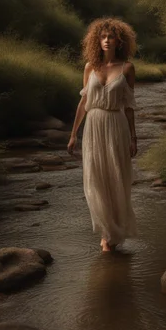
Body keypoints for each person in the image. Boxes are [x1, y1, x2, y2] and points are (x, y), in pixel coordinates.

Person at [67, 17, 138, 252]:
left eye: (111, 37)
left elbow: (129, 106)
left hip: (116, 125)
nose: (106, 40)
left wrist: (133, 137)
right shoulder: (90, 66)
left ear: (119, 41)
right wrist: (74, 134)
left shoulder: (127, 68)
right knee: (96, 180)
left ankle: (114, 231)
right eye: (103, 36)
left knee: (116, 178)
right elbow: (83, 103)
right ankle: (107, 232)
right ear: (97, 40)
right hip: (94, 125)